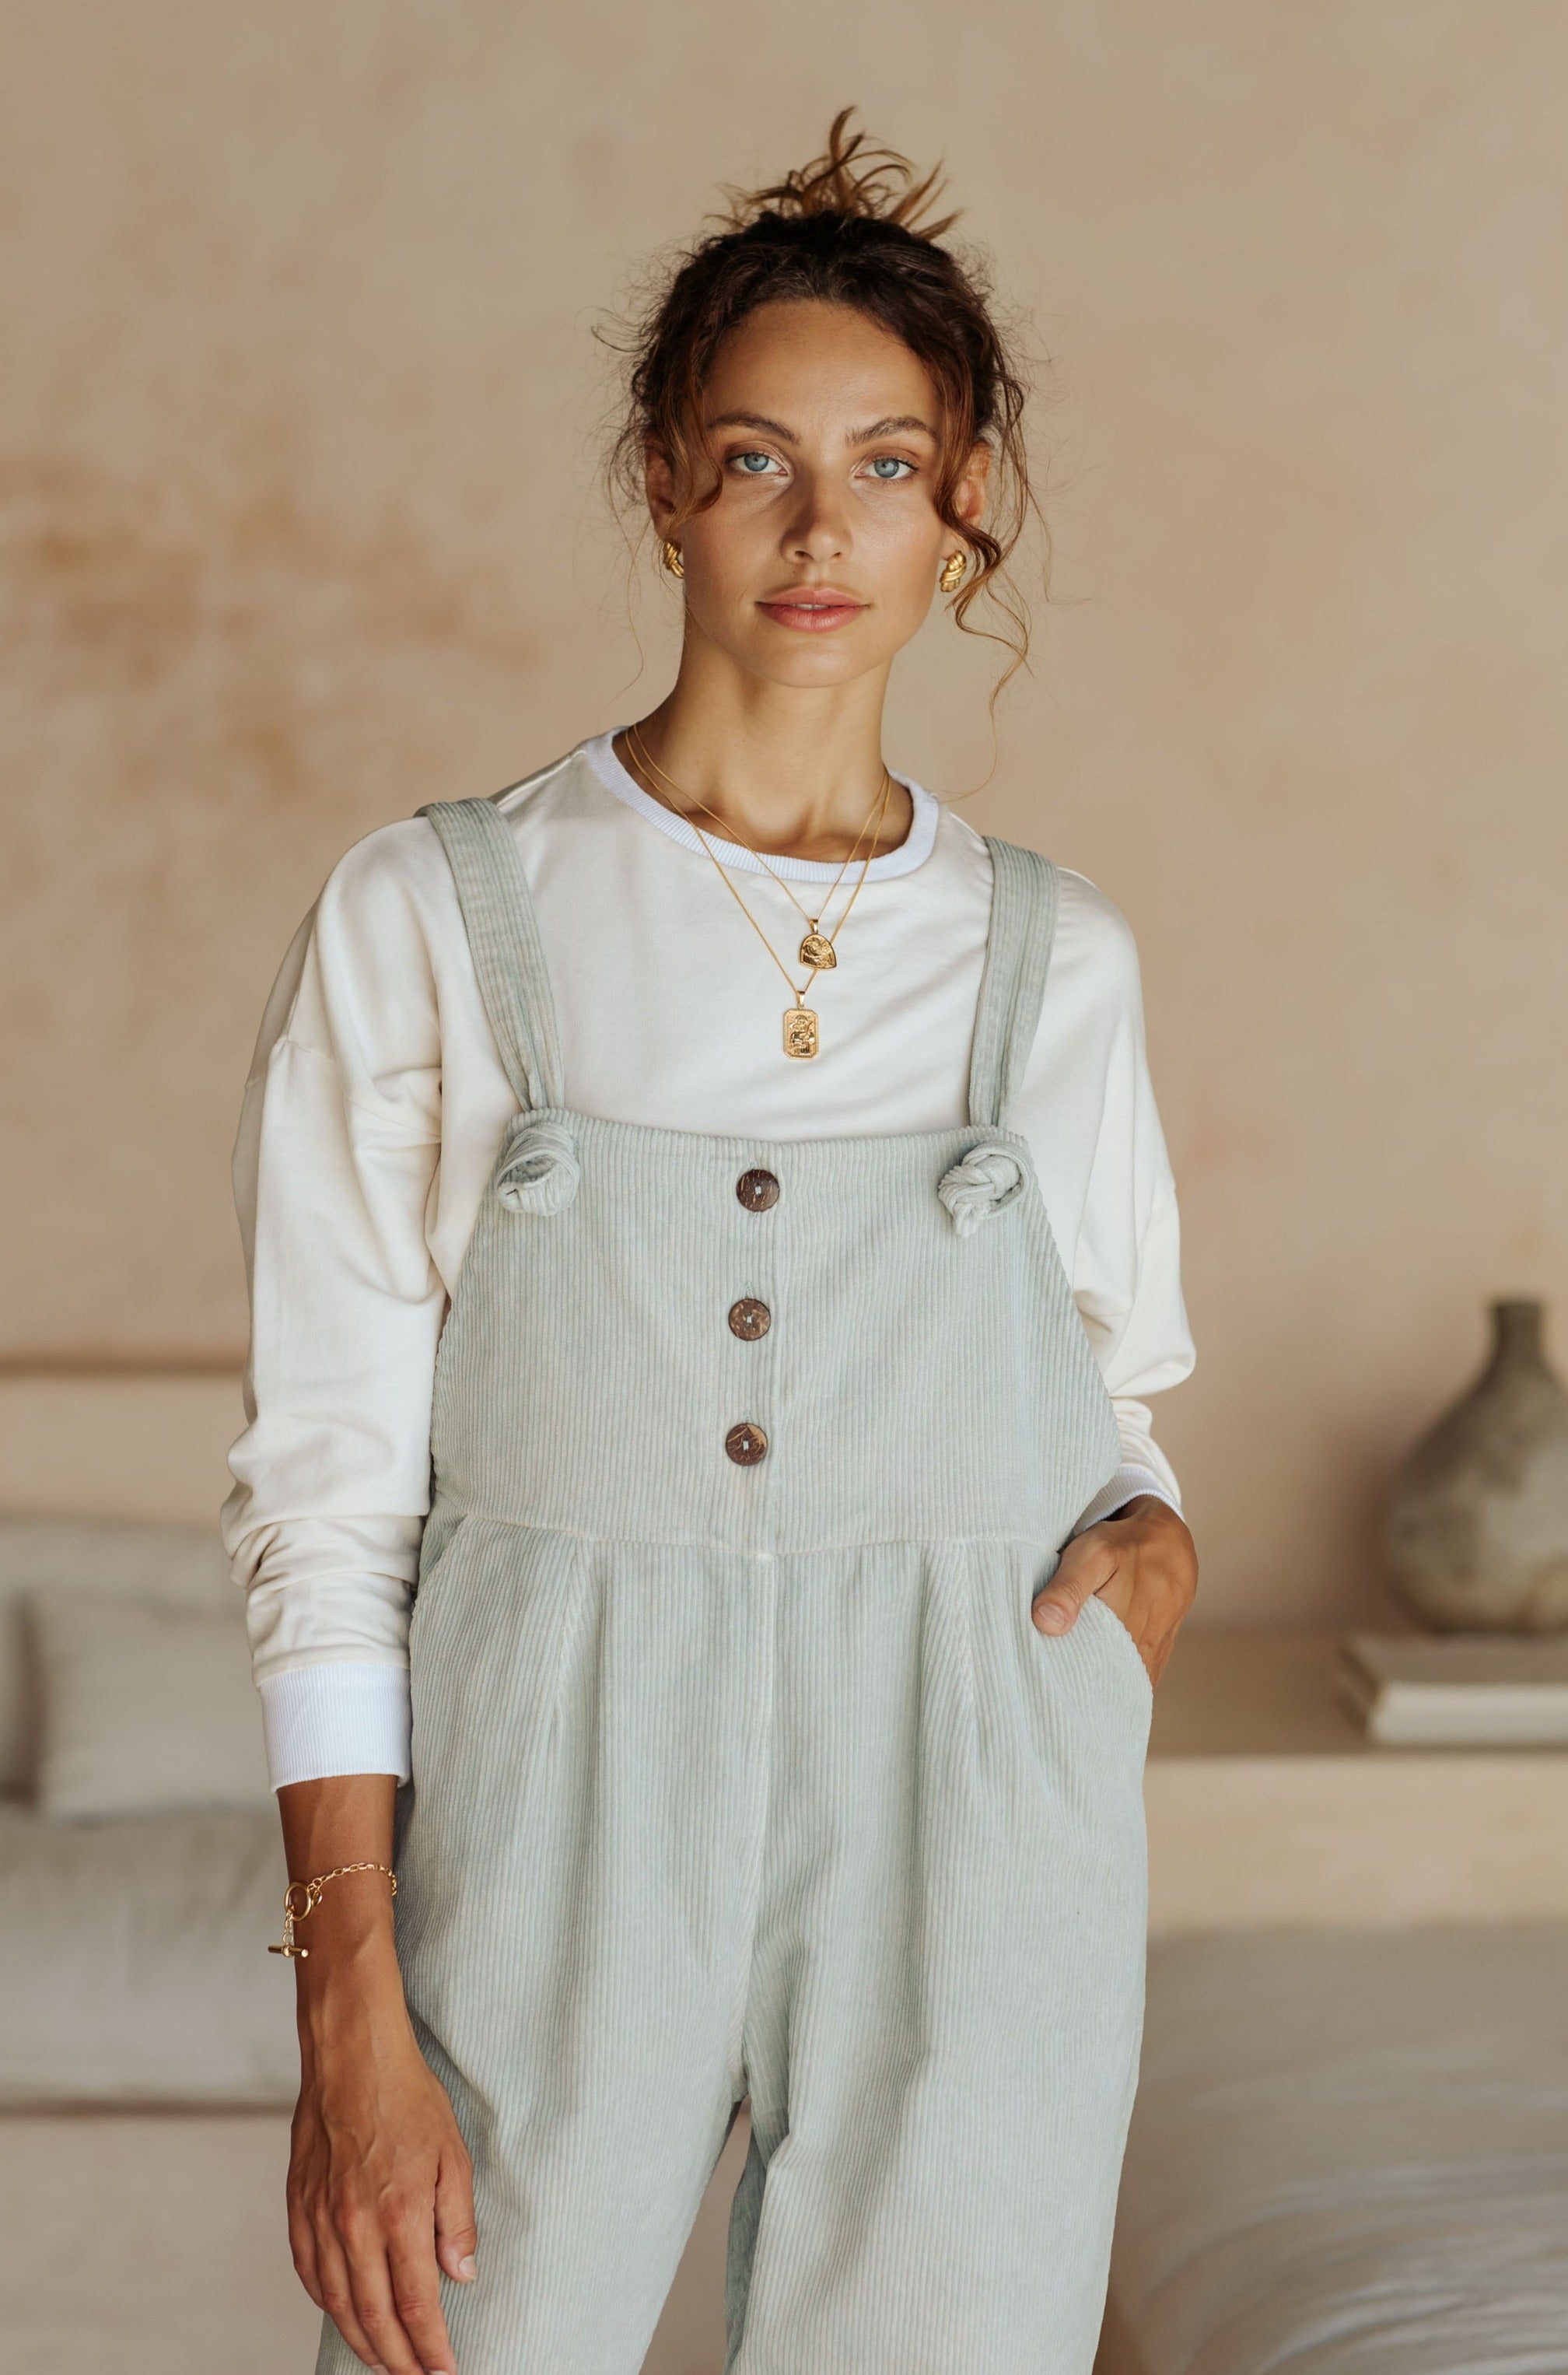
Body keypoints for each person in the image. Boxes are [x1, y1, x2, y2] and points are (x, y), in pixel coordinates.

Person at [223, 111, 1198, 2375]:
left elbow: (1111, 1394)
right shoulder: (437, 911)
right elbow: (331, 1489)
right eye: (757, 458)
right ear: (665, 480)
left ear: (965, 505)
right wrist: (349, 2003)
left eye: (886, 464)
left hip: (977, 1794)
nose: (819, 527)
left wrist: (1141, 1576)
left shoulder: (1054, 956)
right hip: (557, 1777)